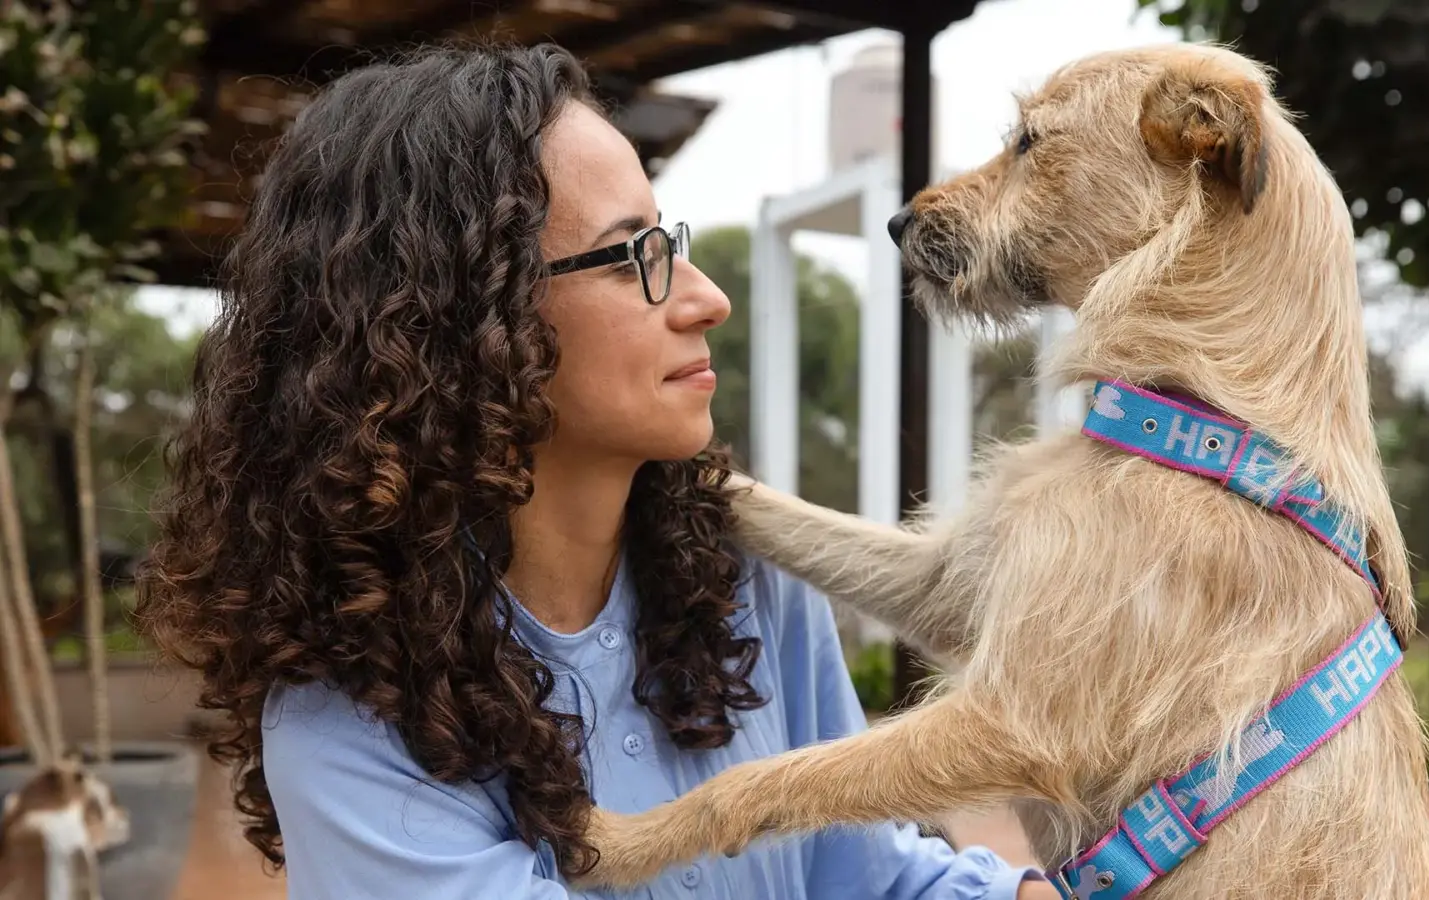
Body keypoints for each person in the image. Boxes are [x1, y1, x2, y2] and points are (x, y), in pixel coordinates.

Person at [135, 43, 1052, 900]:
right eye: (633, 258)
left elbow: (872, 874)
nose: (707, 299)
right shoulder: (350, 720)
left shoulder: (745, 581)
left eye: (674, 243)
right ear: (458, 321)